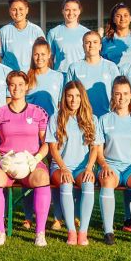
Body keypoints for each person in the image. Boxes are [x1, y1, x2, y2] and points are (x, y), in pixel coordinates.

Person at [0, 71, 51, 247]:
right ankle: (0, 231)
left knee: (42, 178)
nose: (17, 88)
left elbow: (47, 143)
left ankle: (40, 233)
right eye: (13, 85)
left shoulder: (38, 112)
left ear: (27, 86)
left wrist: (36, 158)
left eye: (20, 85)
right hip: (5, 162)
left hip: (30, 162)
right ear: (8, 87)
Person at [94, 76, 131, 245]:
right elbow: (98, 150)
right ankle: (108, 231)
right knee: (107, 179)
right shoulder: (104, 119)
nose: (122, 98)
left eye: (125, 93)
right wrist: (103, 165)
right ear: (112, 96)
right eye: (118, 94)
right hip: (111, 166)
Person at [47, 80, 98, 246]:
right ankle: (71, 231)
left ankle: (83, 232)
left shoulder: (91, 118)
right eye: (70, 96)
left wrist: (90, 168)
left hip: (82, 168)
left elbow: (95, 148)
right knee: (66, 182)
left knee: (89, 182)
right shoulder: (56, 117)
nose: (73, 100)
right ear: (65, 98)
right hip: (60, 166)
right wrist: (63, 168)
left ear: (82, 97)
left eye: (77, 96)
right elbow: (53, 148)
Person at [24, 37, 66, 229]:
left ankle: (58, 215)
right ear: (32, 56)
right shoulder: (27, 77)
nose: (39, 58)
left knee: (55, 170)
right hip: (31, 131)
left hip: (52, 130)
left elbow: (60, 105)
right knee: (29, 169)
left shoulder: (58, 76)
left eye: (43, 54)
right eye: (36, 54)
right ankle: (28, 215)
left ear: (49, 55)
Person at [67, 30, 120, 117]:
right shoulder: (74, 67)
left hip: (105, 117)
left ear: (100, 46)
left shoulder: (111, 67)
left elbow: (118, 92)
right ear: (83, 46)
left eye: (95, 42)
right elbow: (67, 95)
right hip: (81, 118)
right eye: (88, 42)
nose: (91, 45)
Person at [0, 0, 45, 71]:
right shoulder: (3, 31)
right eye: (14, 9)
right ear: (10, 11)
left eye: (21, 9)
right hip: (10, 78)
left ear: (27, 10)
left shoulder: (36, 31)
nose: (18, 12)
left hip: (31, 77)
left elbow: (44, 56)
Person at [46, 0, 89, 72]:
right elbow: (49, 59)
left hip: (80, 76)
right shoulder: (53, 32)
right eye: (67, 10)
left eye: (74, 10)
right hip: (61, 77)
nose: (71, 13)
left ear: (79, 11)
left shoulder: (87, 33)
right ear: (62, 11)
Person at [101, 3, 131, 67]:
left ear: (130, 18)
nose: (122, 19)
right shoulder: (105, 41)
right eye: (118, 16)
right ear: (113, 19)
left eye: (125, 15)